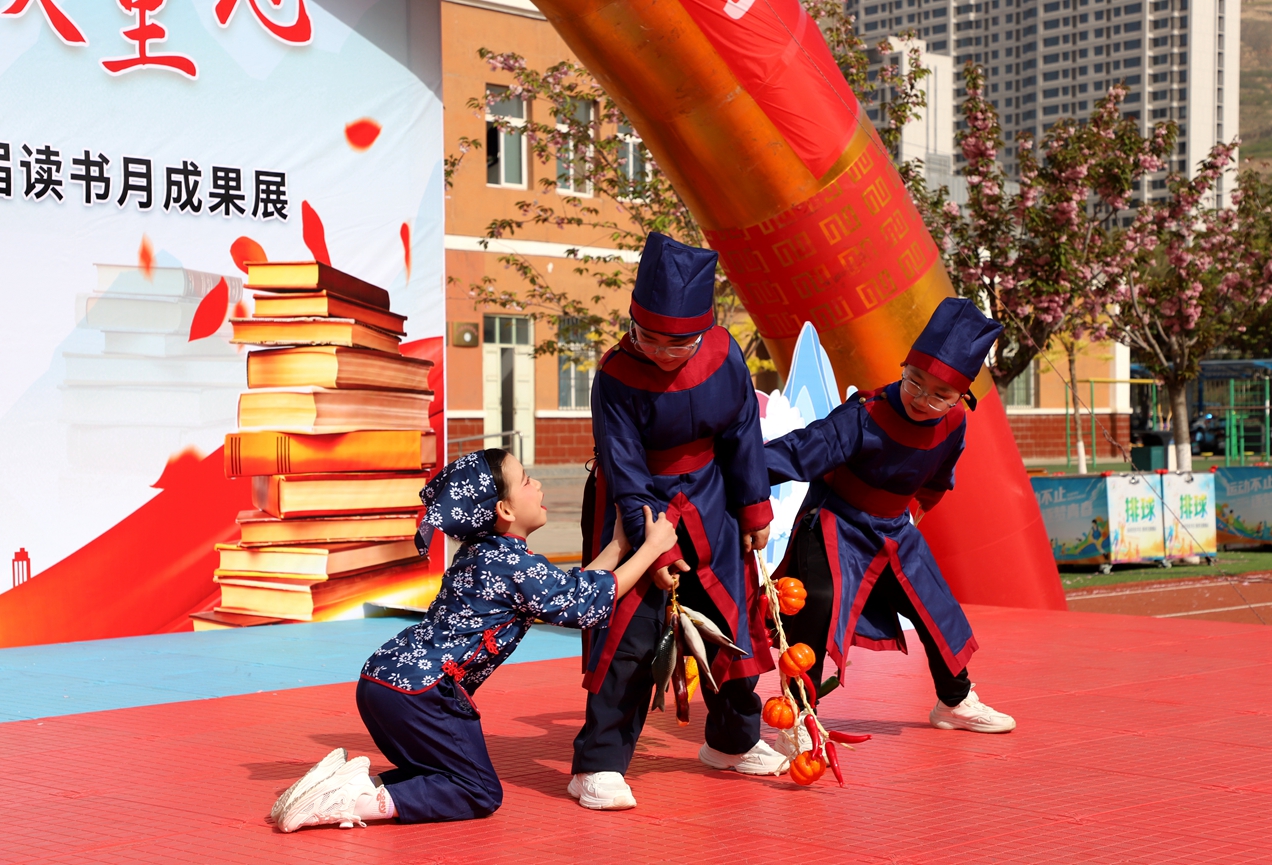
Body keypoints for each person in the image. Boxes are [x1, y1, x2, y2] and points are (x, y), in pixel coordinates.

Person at [270, 448, 679, 831]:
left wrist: (619, 545)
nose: (537, 484)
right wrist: (652, 548)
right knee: (478, 791)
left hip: (383, 681)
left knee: (437, 773)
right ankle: (350, 802)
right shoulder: (513, 564)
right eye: (526, 480)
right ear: (504, 510)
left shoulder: (481, 553)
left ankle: (344, 784)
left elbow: (572, 588)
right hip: (423, 693)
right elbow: (582, 603)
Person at [571, 232, 782, 812]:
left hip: (712, 500)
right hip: (637, 506)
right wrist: (655, 552)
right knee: (632, 637)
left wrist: (755, 507)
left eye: (680, 342)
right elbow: (625, 470)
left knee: (732, 623)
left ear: (704, 330)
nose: (663, 352)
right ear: (633, 322)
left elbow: (743, 433)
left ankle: (733, 742)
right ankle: (598, 763)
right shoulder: (616, 373)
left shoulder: (725, 353)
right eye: (650, 337)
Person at [764, 297, 1016, 743]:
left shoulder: (954, 423)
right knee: (818, 602)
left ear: (961, 397)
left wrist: (912, 516)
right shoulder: (865, 414)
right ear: (904, 368)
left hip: (895, 528)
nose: (922, 398)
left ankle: (955, 701)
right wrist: (731, 470)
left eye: (940, 395)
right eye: (915, 381)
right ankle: (801, 714)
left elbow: (937, 479)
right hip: (835, 523)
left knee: (935, 605)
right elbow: (799, 451)